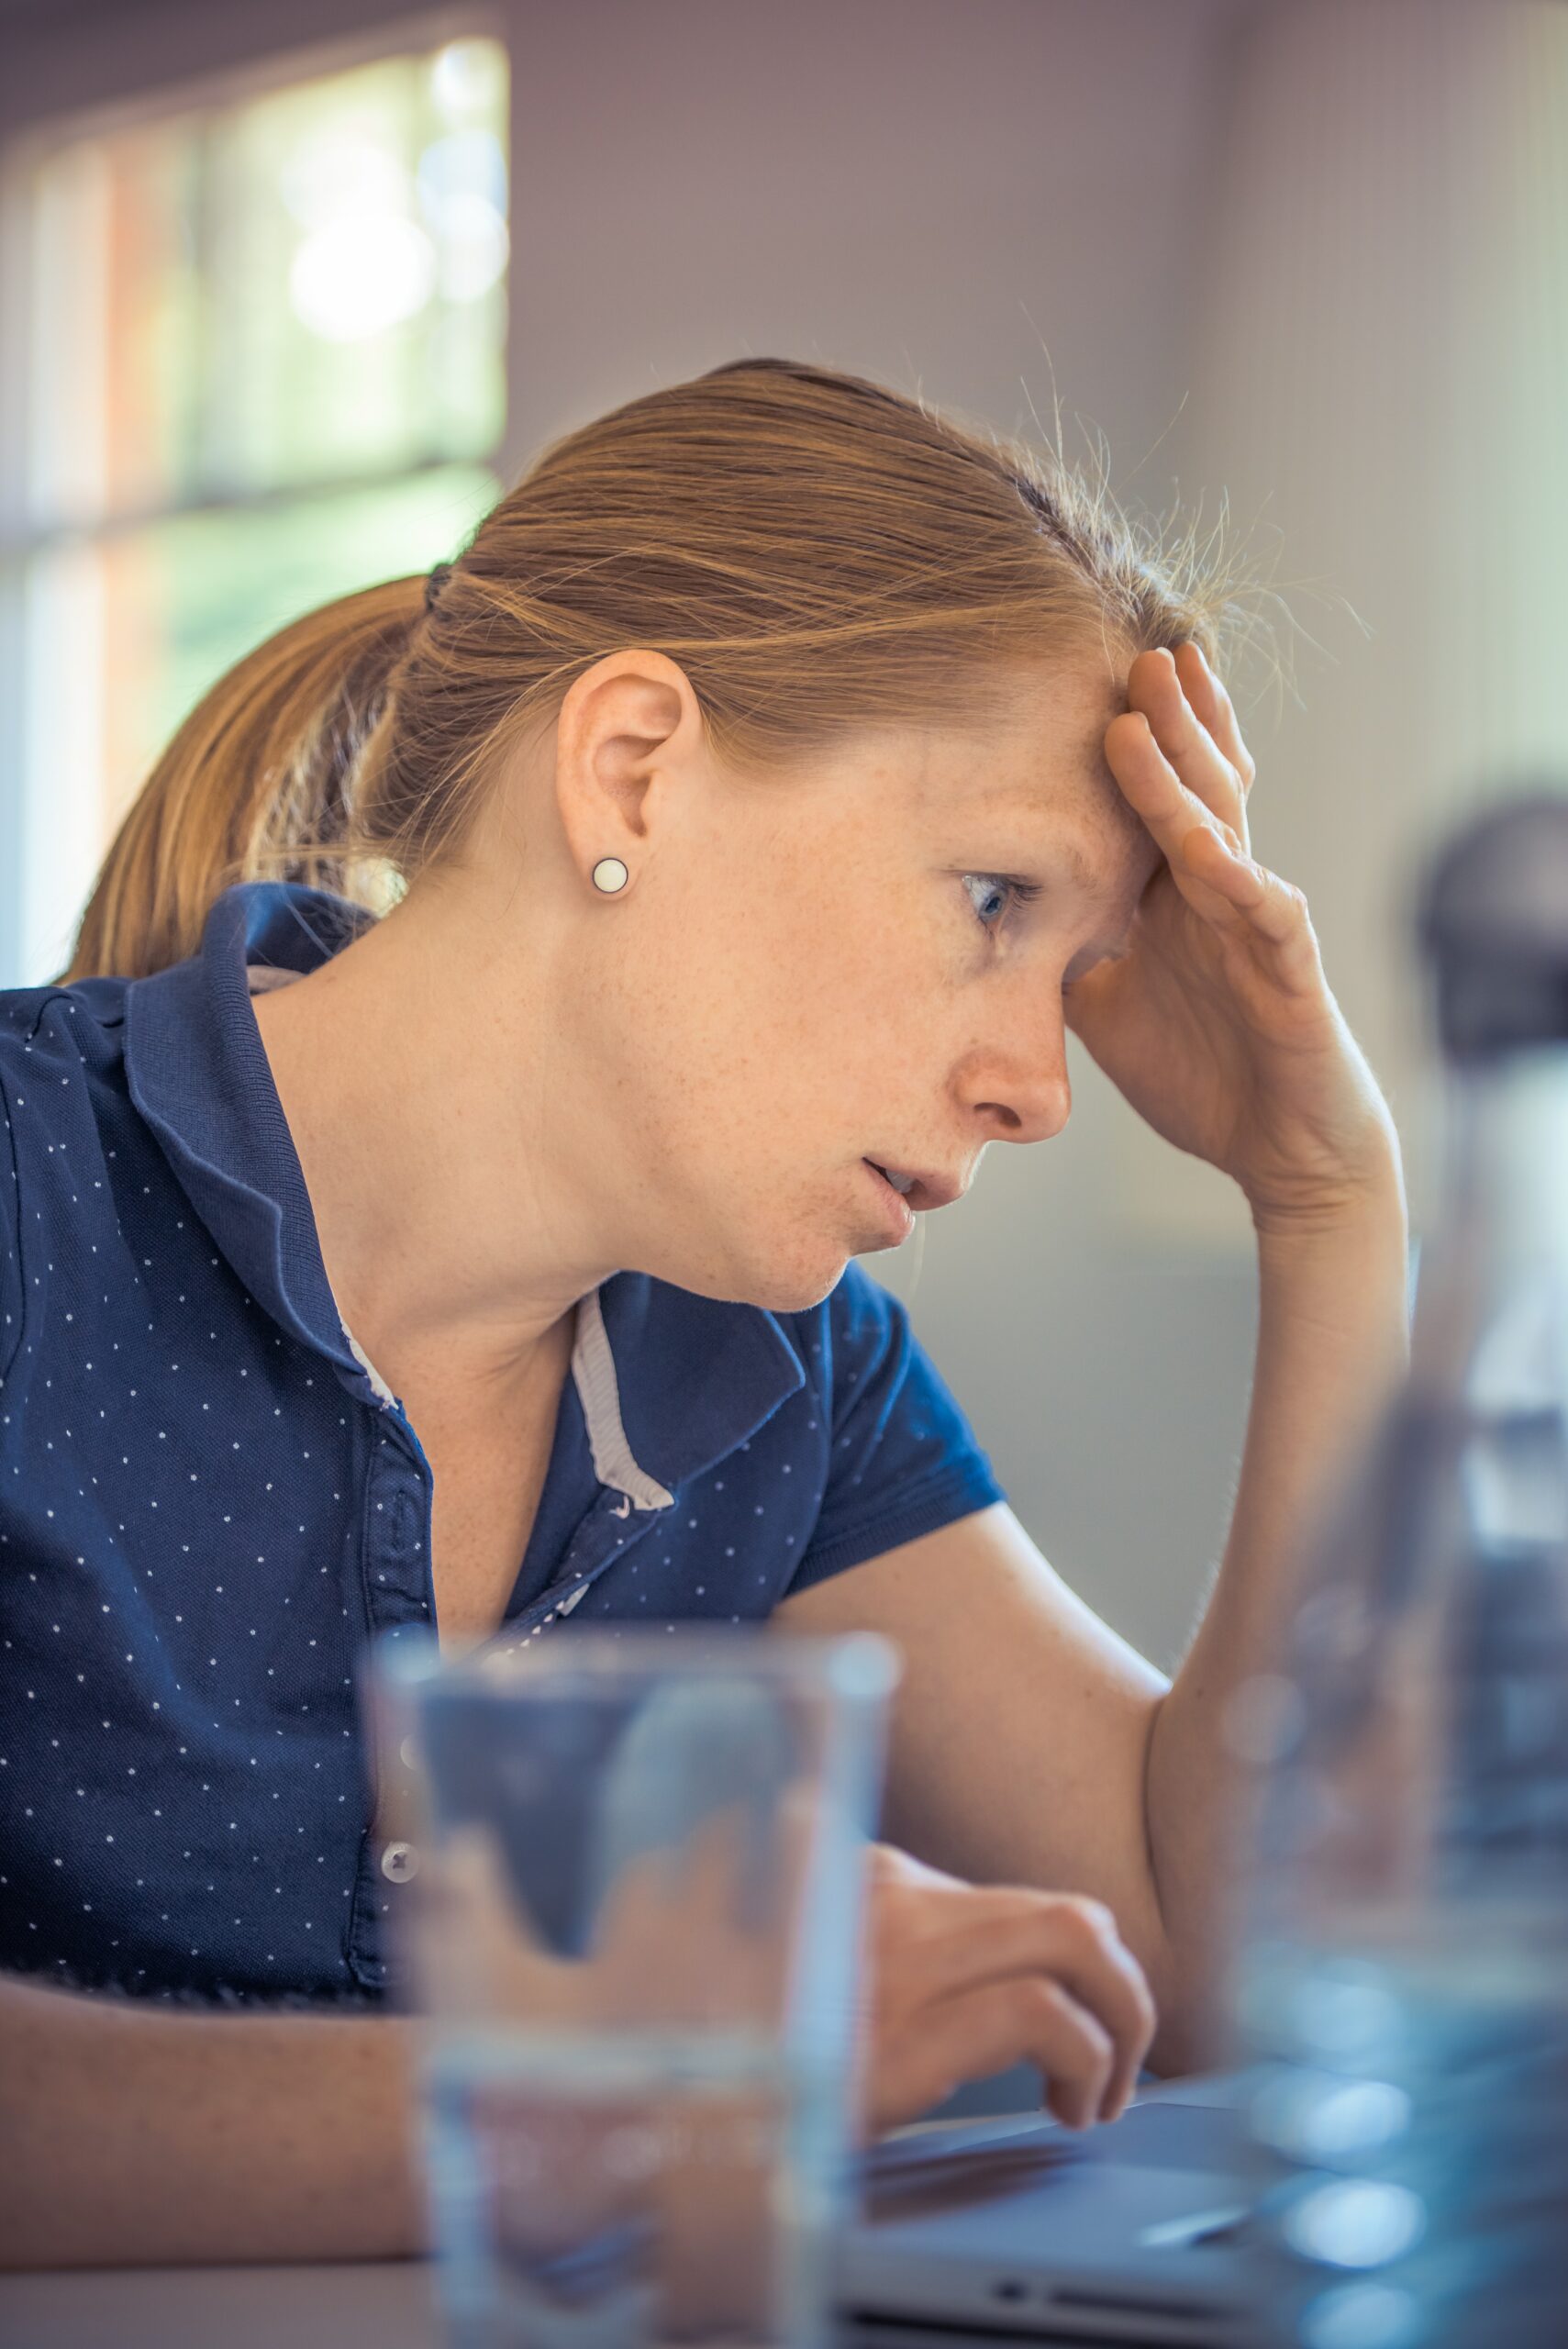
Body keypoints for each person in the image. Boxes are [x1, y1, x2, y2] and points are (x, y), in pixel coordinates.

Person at [0, 357, 1408, 2269]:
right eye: (994, 894)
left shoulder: (784, 1372)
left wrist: (1329, 1204)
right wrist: (647, 2086)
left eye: (1074, 970)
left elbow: (1214, 1957)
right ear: (632, 767)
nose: (1040, 1084)